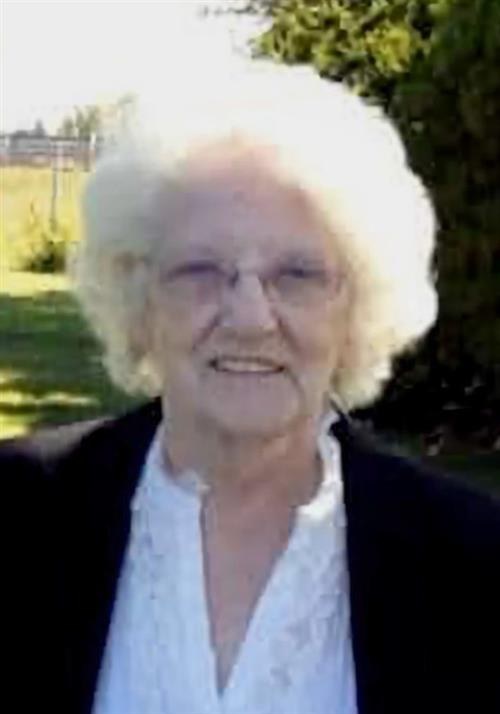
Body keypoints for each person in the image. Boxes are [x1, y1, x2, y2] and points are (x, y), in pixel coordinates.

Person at [3, 60, 500, 714]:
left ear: (355, 309)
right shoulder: (16, 510)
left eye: (297, 274)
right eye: (201, 269)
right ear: (140, 300)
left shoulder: (474, 557)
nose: (250, 318)